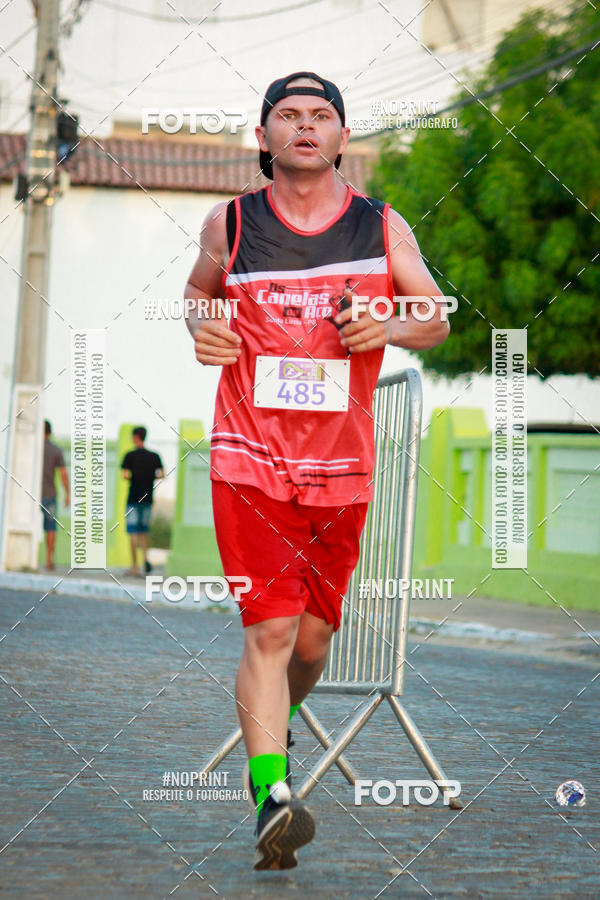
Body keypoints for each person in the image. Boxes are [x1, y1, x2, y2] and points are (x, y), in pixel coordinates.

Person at [184, 71, 450, 871]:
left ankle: (276, 737)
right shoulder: (229, 223)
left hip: (342, 463)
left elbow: (434, 317)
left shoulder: (383, 227)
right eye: (288, 116)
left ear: (341, 137)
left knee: (309, 641)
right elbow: (199, 296)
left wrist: (387, 322)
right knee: (266, 630)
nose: (305, 126)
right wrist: (204, 329)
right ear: (264, 137)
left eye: (321, 115)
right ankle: (273, 795)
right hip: (248, 455)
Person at [120, 426, 164, 576]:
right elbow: (161, 474)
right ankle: (145, 562)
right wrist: (150, 477)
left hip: (133, 498)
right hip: (148, 499)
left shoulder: (129, 455)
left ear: (135, 437)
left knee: (133, 532)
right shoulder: (154, 456)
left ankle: (134, 567)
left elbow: (125, 474)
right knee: (143, 533)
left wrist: (134, 477)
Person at [41, 420, 69, 571]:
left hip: (30, 495)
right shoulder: (56, 450)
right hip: (50, 495)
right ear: (50, 432)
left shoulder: (33, 449)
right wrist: (68, 493)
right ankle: (48, 560)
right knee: (50, 527)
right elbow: (63, 474)